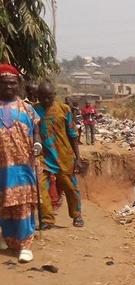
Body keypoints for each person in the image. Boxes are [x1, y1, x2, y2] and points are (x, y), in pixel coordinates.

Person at [0, 63, 43, 263]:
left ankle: (26, 244)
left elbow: (36, 129)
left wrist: (37, 143)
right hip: (2, 168)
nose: (9, 87)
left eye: (13, 83)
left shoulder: (27, 108)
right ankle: (9, 240)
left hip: (23, 166)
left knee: (24, 203)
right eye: (5, 84)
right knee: (5, 205)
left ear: (18, 85)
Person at [34, 82, 84, 228]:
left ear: (54, 96)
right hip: (43, 157)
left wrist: (78, 158)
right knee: (41, 188)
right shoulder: (34, 110)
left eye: (49, 97)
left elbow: (73, 135)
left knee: (70, 188)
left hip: (64, 156)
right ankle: (47, 220)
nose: (46, 101)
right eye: (42, 97)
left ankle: (77, 215)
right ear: (38, 97)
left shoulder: (64, 109)